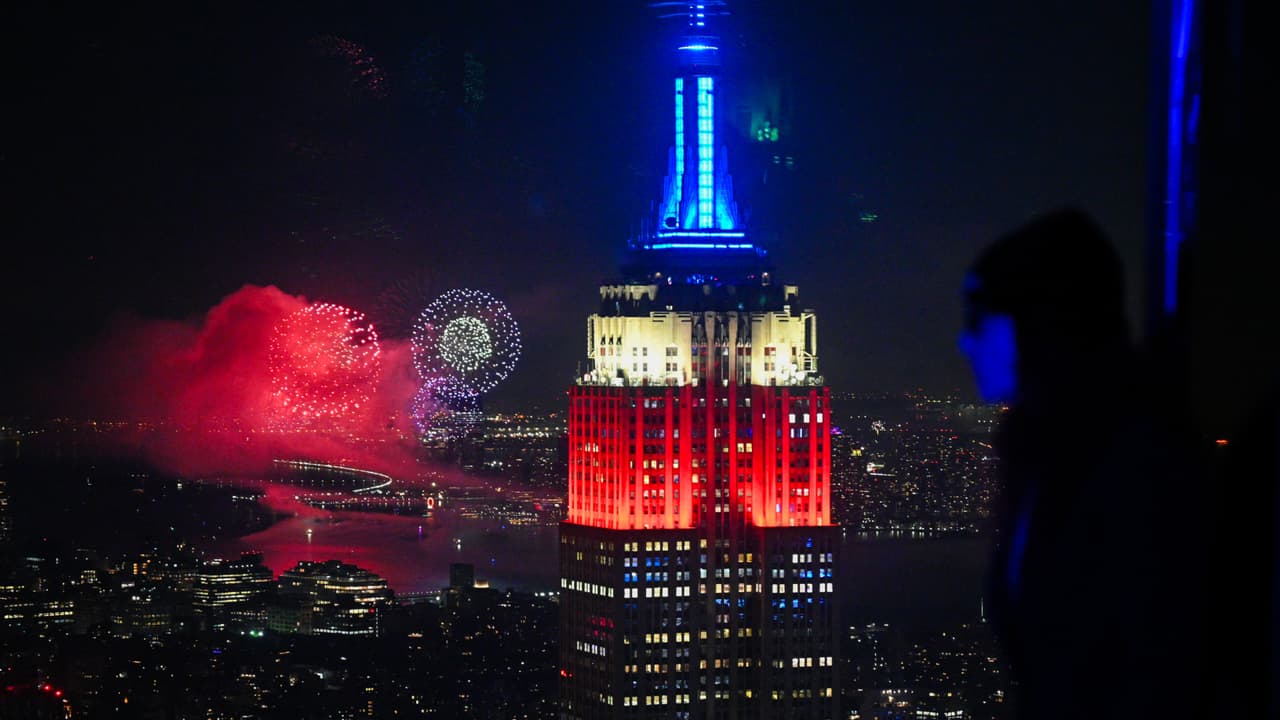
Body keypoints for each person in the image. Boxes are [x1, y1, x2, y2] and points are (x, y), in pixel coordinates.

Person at [959, 209, 1206, 719]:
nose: (966, 341)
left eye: (981, 318)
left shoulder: (1137, 471)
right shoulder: (1046, 454)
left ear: (1040, 327)